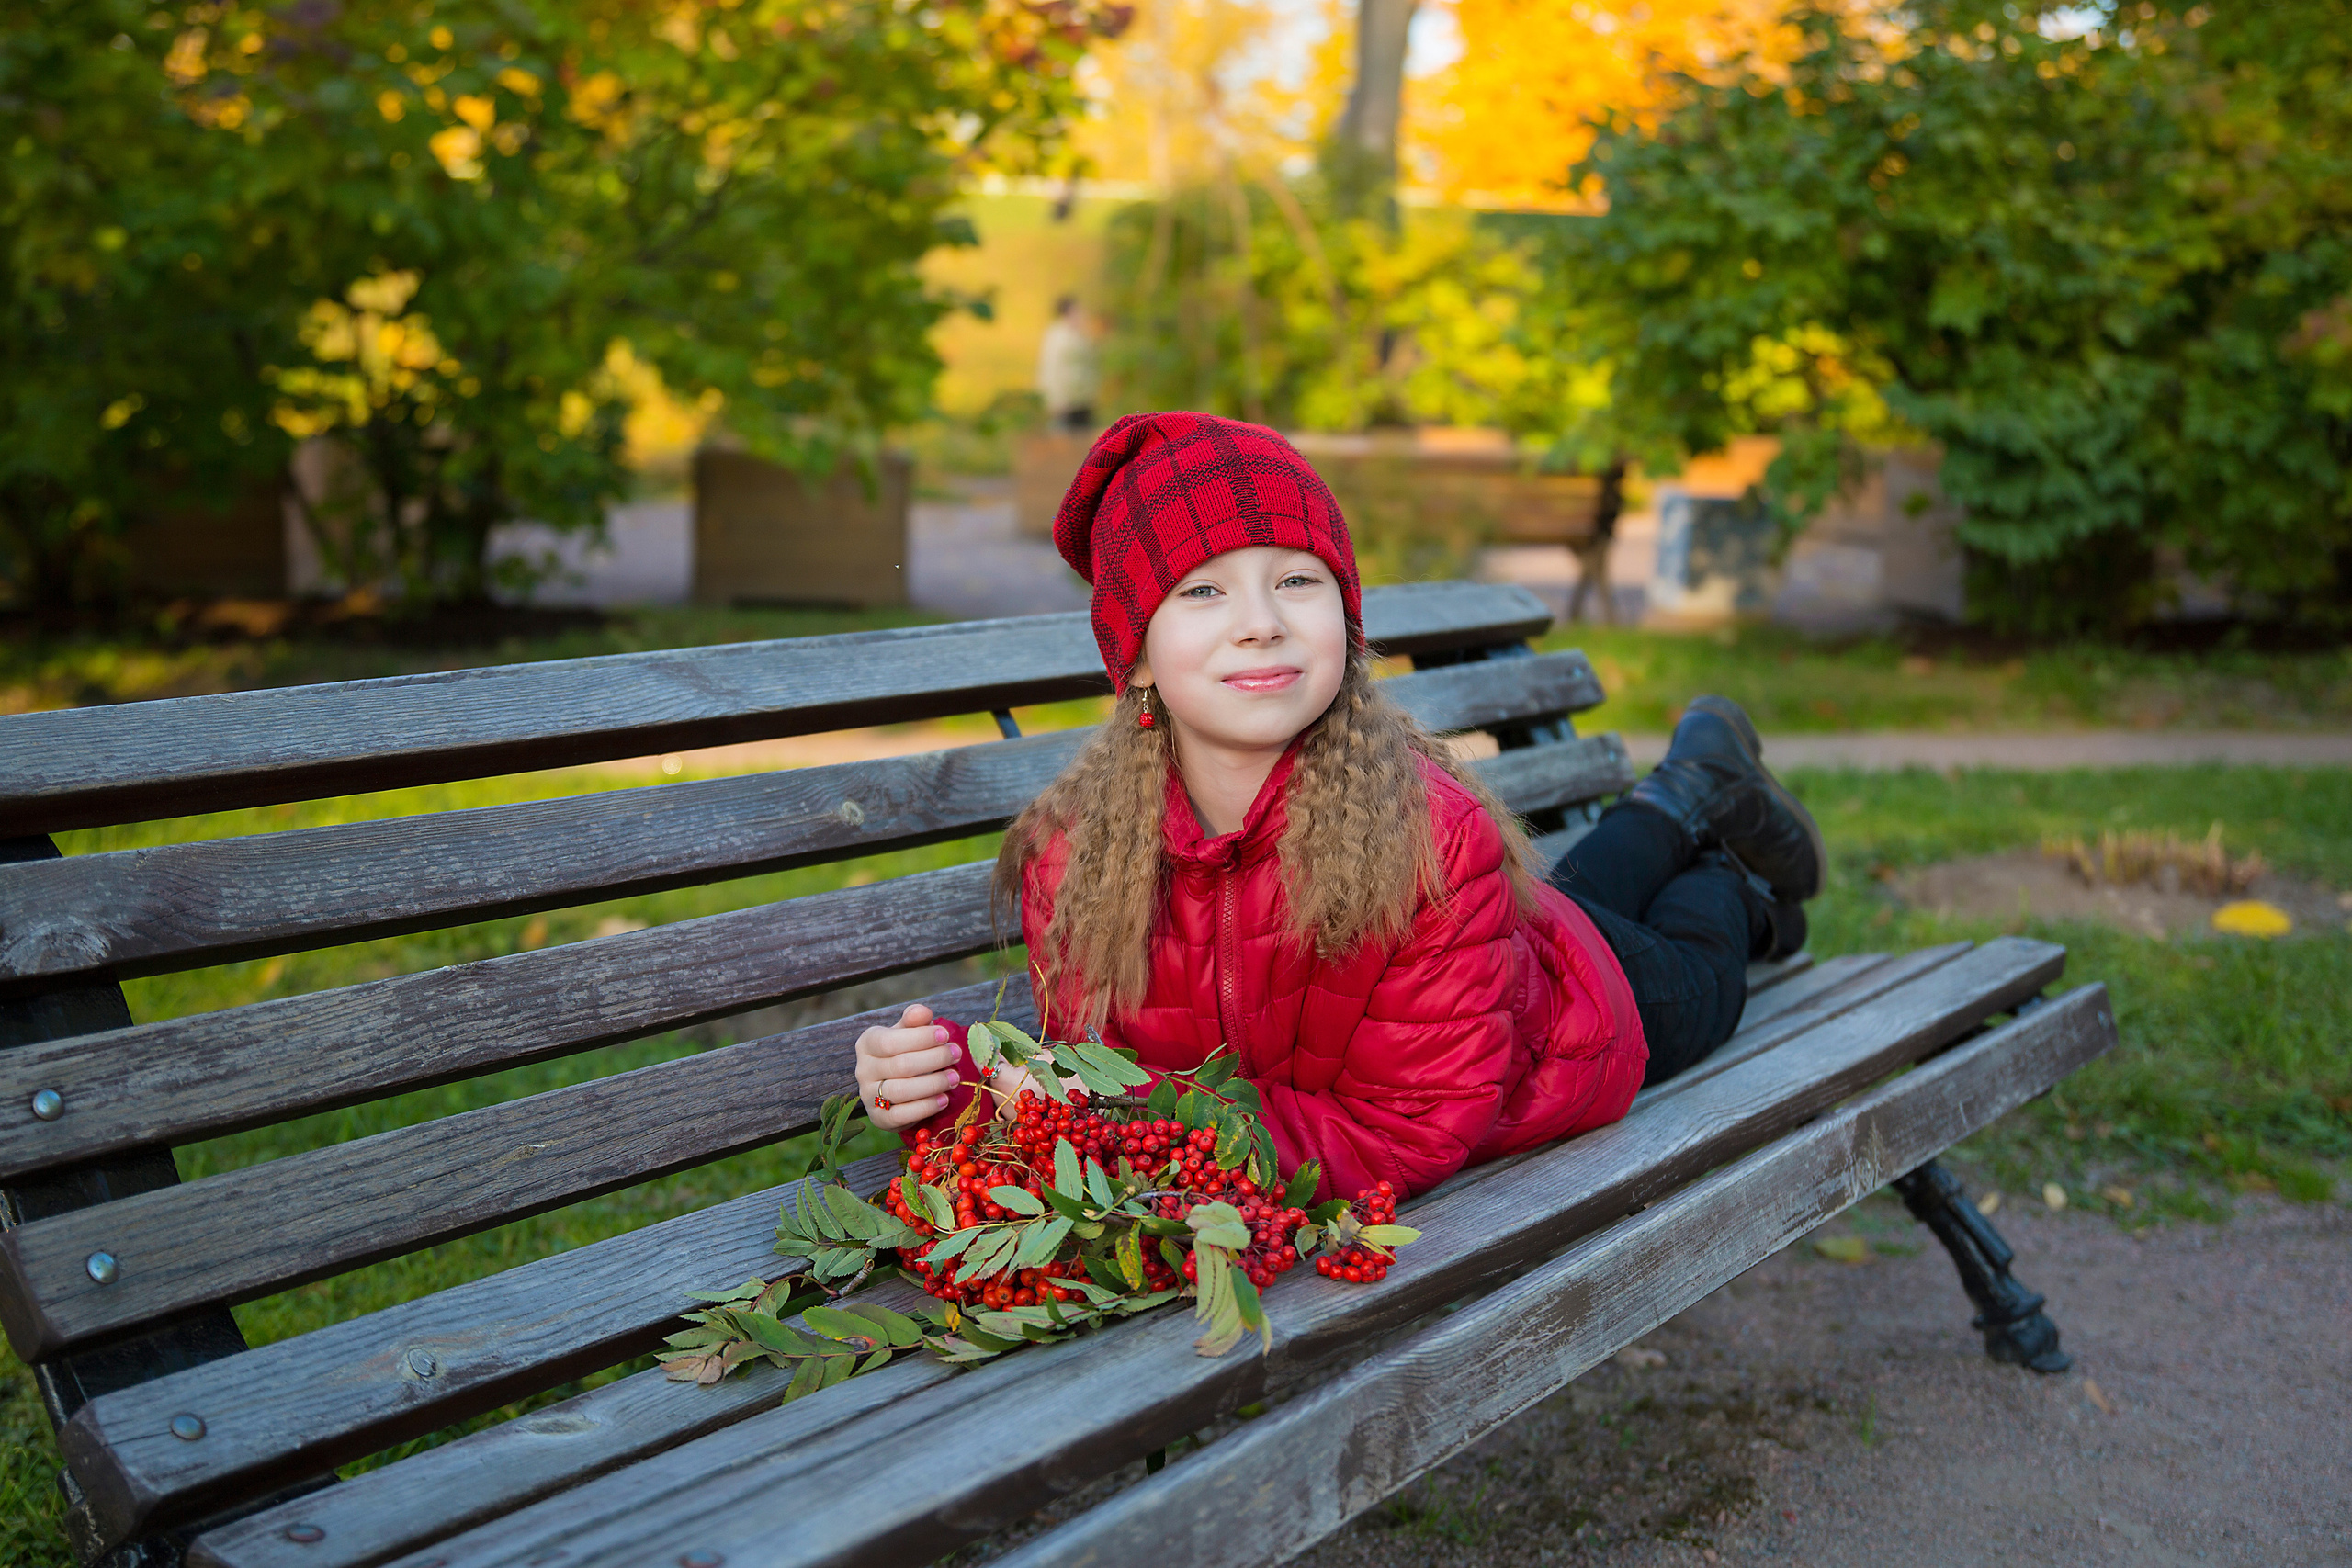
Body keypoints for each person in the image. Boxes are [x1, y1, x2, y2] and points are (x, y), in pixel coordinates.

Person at [854, 412, 1824, 1201]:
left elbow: (1402, 1133)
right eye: (1201, 590)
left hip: (1575, 1027)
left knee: (1710, 960)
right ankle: (1688, 792)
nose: (1261, 620)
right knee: (1567, 897)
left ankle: (1724, 868)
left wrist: (1131, 1119)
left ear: (1345, 623)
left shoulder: (1429, 836)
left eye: (1296, 580)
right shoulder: (1076, 860)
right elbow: (1087, 1103)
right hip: (1492, 959)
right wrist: (945, 1086)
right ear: (1136, 654)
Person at [1035, 295, 1099, 432]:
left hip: (1083, 401)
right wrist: (1053, 400)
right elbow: (1049, 369)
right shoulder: (1056, 337)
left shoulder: (1082, 337)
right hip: (1064, 403)